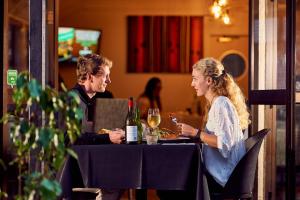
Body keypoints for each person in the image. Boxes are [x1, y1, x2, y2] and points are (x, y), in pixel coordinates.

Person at [177, 57, 250, 196]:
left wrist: (195, 133)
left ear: (209, 81)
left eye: (195, 79)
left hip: (223, 179)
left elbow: (225, 144)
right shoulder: (217, 103)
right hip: (220, 176)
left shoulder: (221, 104)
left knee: (169, 188)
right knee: (174, 183)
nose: (192, 84)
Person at [71, 53, 125, 200]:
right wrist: (107, 137)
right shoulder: (73, 100)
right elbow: (73, 139)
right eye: (105, 76)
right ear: (90, 76)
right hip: (72, 171)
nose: (109, 80)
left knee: (123, 173)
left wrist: (108, 135)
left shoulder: (82, 99)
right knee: (121, 176)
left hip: (81, 163)